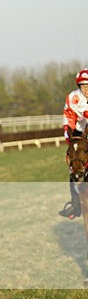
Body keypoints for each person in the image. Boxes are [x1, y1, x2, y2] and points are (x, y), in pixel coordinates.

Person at [59, 68, 88, 219]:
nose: (87, 89)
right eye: (84, 86)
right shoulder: (72, 98)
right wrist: (68, 133)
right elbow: (69, 118)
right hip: (78, 131)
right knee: (75, 161)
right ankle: (75, 204)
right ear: (79, 87)